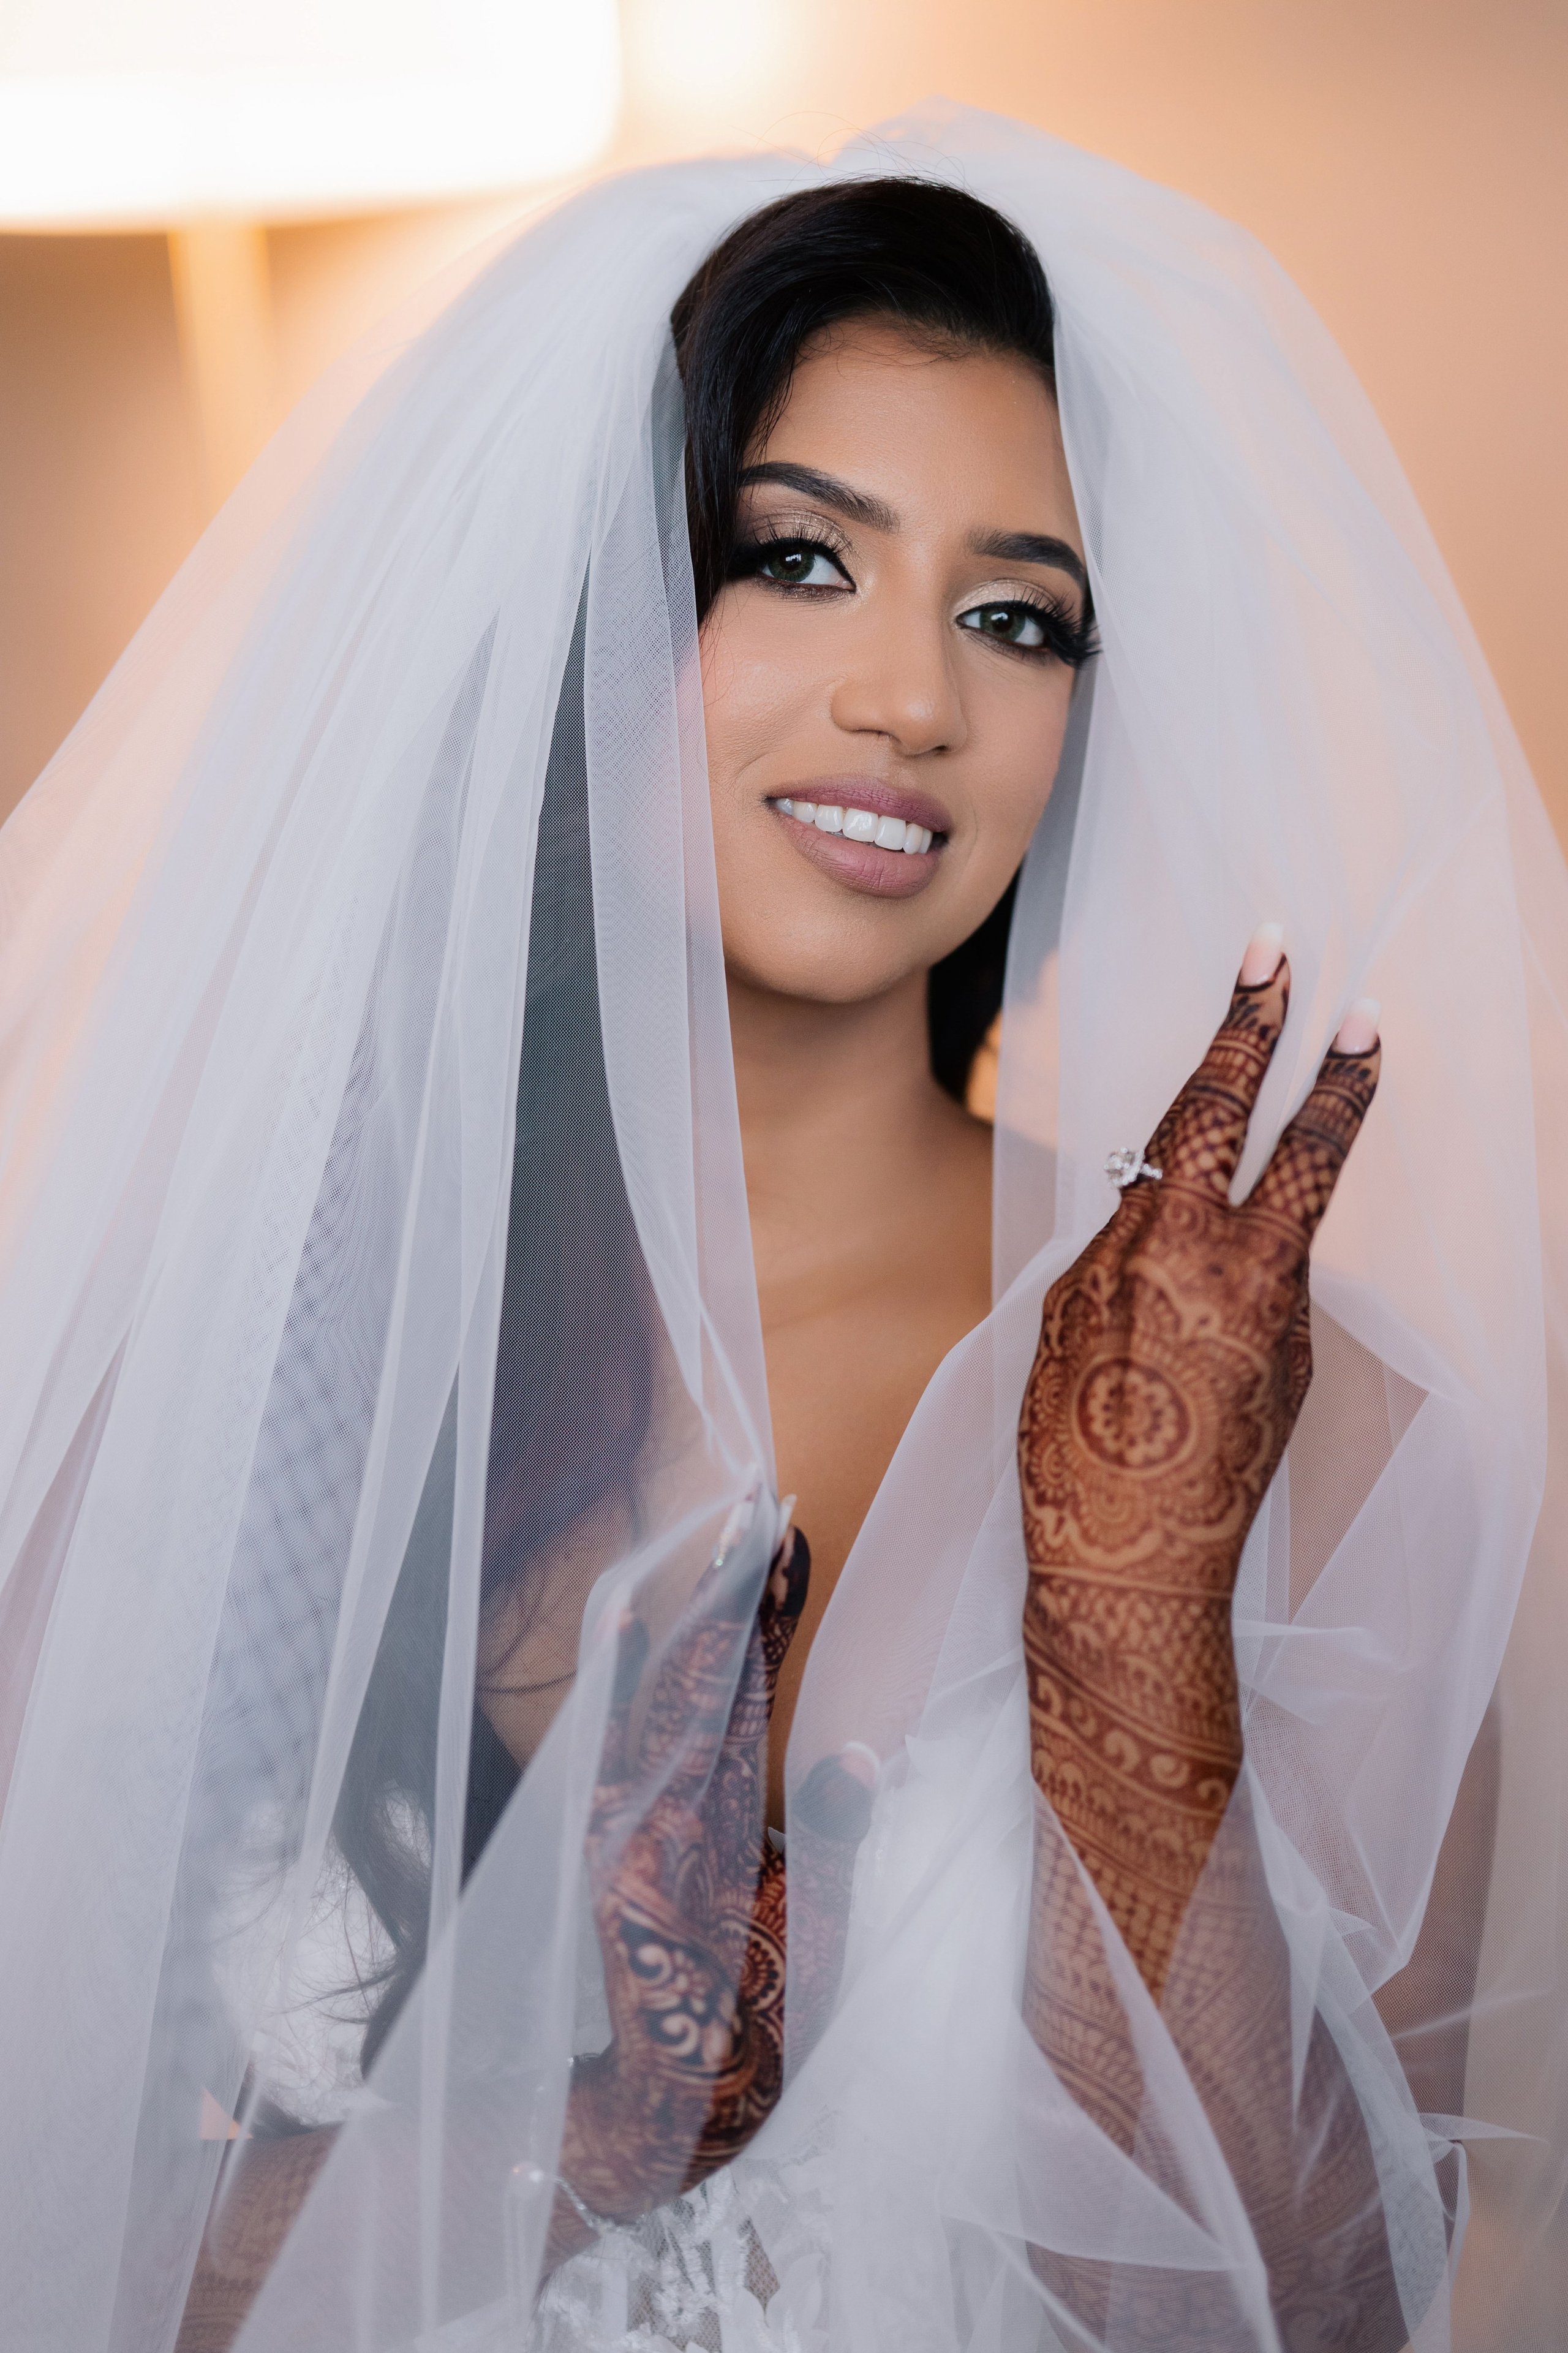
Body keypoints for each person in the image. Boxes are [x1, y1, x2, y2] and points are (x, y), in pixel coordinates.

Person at [1, 109, 1564, 2353]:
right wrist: (529, 2158)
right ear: (591, 605)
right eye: (799, 561)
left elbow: (1340, 2304)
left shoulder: (1311, 1424)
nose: (916, 698)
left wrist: (1135, 1657)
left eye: (1018, 614)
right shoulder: (240, 1372)